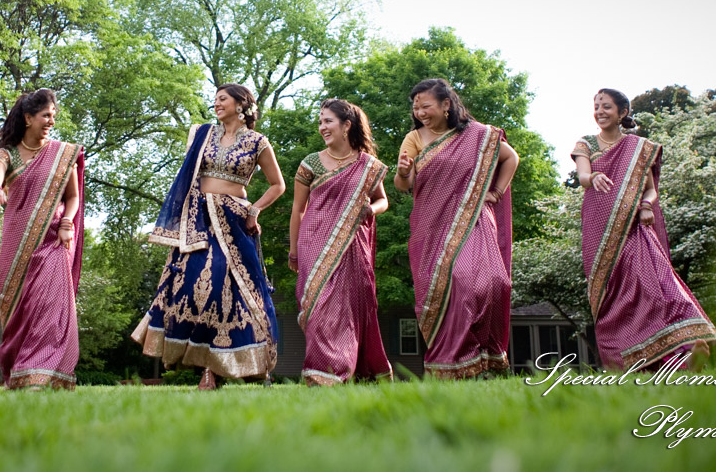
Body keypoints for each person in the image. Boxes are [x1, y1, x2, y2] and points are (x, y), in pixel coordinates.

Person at [132, 84, 287, 390]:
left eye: (222, 99)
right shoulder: (203, 134)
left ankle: (245, 364)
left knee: (229, 290)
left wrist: (254, 211)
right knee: (192, 288)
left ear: (241, 104)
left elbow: (277, 185)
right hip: (199, 222)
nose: (216, 104)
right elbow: (187, 177)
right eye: (215, 99)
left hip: (234, 221)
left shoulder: (257, 142)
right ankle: (206, 368)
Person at [572, 88, 716, 371]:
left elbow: (652, 192)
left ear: (622, 113)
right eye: (596, 106)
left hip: (633, 230)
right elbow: (582, 177)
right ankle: (631, 362)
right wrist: (593, 175)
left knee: (652, 288)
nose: (600, 111)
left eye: (606, 106)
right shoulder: (586, 144)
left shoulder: (639, 148)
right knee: (611, 297)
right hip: (598, 231)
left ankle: (688, 346)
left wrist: (646, 207)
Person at [394, 78, 519, 379]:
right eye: (416, 107)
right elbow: (403, 186)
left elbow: (511, 157)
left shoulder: (479, 136)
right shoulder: (415, 138)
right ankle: (454, 362)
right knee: (457, 284)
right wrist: (402, 173)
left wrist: (496, 193)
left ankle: (485, 357)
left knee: (494, 283)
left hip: (475, 220)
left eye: (426, 106)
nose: (420, 112)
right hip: (432, 225)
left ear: (446, 104)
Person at [0, 88, 85, 390]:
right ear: (28, 118)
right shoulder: (7, 153)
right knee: (17, 307)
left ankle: (40, 373)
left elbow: (73, 197)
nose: (51, 121)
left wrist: (67, 222)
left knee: (50, 307)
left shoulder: (61, 154)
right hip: (16, 242)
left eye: (53, 116)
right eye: (45, 116)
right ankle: (19, 370)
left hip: (54, 240)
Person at [288, 99, 393, 386]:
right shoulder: (310, 163)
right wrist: (294, 249)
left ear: (347, 125)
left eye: (328, 121)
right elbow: (298, 209)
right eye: (320, 122)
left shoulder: (368, 165)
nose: (322, 127)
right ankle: (322, 373)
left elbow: (382, 199)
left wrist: (372, 209)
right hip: (313, 242)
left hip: (352, 245)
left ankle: (345, 370)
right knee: (318, 305)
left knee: (350, 308)